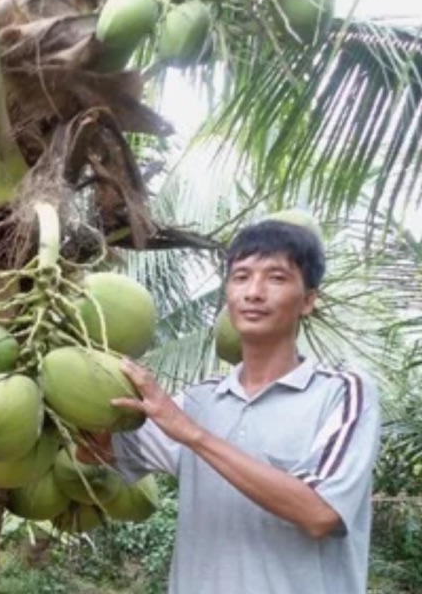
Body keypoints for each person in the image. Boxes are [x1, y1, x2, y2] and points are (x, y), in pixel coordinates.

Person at [77, 218, 382, 594]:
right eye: (240, 277)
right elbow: (96, 452)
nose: (253, 292)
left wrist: (193, 435)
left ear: (308, 301)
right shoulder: (201, 399)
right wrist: (83, 365)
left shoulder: (343, 392)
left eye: (276, 278)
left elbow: (320, 513)